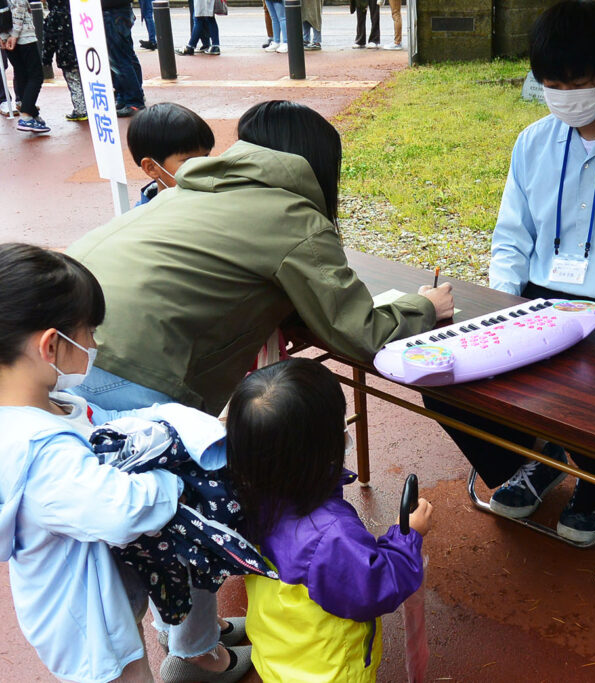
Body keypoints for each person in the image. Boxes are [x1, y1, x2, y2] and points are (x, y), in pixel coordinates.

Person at [67, 100, 452, 680]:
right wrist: (425, 305)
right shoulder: (294, 217)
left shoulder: (194, 188)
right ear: (320, 166)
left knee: (150, 514)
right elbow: (363, 332)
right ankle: (193, 656)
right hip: (137, 371)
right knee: (172, 520)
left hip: (69, 348)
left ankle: (195, 640)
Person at [424, 0, 595, 546]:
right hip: (535, 300)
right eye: (550, 82)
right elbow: (511, 239)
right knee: (445, 382)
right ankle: (530, 461)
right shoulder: (532, 142)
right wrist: (501, 311)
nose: (562, 96)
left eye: (575, 83)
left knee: (587, 383)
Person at [0, 243, 185, 682]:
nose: (94, 344)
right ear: (51, 344)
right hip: (90, 631)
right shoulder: (42, 455)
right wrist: (174, 478)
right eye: (88, 332)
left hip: (101, 593)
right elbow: (122, 510)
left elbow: (108, 424)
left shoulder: (54, 403)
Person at [227, 358, 432, 681]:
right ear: (323, 448)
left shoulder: (243, 495)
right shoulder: (329, 533)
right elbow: (374, 587)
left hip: (278, 653)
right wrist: (408, 536)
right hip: (331, 670)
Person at [125, 102, 215, 206]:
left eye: (205, 156)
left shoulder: (216, 199)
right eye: (189, 161)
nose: (202, 166)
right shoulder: (144, 219)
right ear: (151, 168)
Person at [1, 0, 47, 133]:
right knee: (36, 75)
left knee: (22, 73)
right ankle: (27, 116)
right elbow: (19, 6)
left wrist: (2, 35)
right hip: (23, 35)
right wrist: (15, 34)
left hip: (5, 34)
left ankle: (31, 112)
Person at [42, 0, 88, 122]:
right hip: (86, 54)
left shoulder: (54, 15)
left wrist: (46, 59)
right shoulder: (79, 10)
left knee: (74, 83)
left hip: (66, 56)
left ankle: (81, 110)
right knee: (87, 81)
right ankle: (92, 106)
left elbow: (49, 40)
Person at [101, 0, 146, 117]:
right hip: (119, 10)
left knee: (119, 60)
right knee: (126, 56)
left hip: (113, 11)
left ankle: (133, 100)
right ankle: (128, 96)